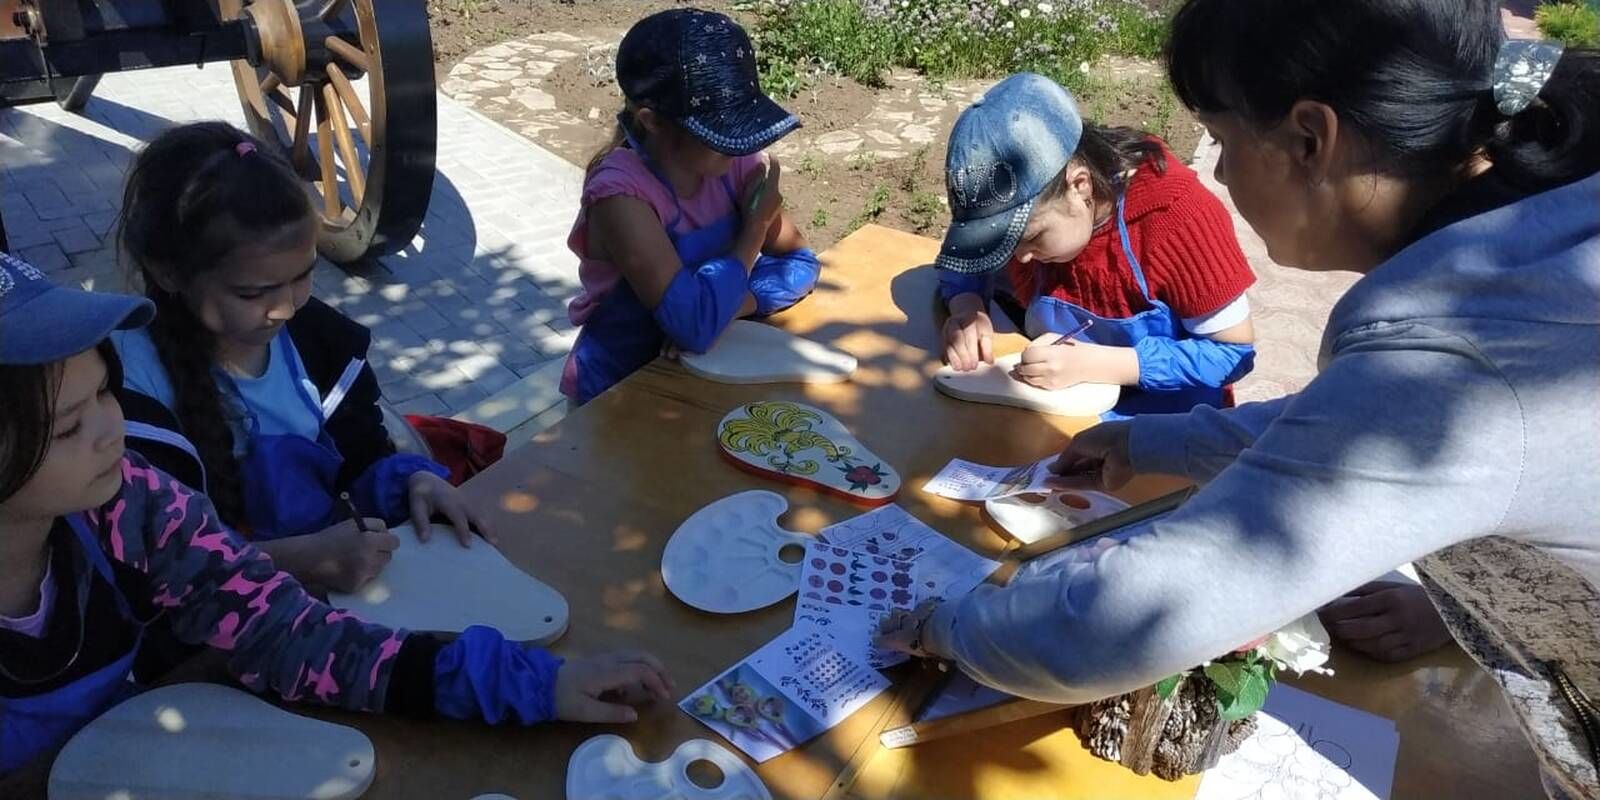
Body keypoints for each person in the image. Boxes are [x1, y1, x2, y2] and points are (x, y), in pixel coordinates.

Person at [880, 2, 1600, 795]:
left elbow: (1144, 612)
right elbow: (1340, 428)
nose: (1217, 173)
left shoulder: (1457, 351)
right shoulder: (1543, 229)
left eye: (1223, 142)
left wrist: (947, 627)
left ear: (1309, 139)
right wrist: (1144, 446)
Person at [0, 254, 674, 780]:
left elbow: (295, 637)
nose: (113, 431)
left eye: (105, 394)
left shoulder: (132, 504)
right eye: (67, 428)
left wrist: (537, 685)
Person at [111, 122, 484, 595]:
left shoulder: (323, 345)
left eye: (303, 276)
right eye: (253, 292)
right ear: (168, 272)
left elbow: (363, 455)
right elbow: (153, 559)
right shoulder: (127, 396)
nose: (286, 307)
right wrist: (298, 561)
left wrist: (411, 483)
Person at [936, 73, 1256, 418]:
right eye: (999, 243)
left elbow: (1232, 353)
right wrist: (968, 307)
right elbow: (965, 262)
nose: (1020, 257)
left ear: (1081, 185)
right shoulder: (1036, 217)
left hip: (1167, 430)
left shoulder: (1178, 217)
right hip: (1064, 412)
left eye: (1029, 238)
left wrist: (1099, 364)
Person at [562, 8, 820, 405]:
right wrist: (754, 231)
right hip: (617, 398)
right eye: (721, 134)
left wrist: (733, 306)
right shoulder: (620, 196)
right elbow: (695, 326)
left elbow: (801, 263)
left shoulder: (738, 165)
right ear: (653, 122)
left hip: (701, 388)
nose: (742, 147)